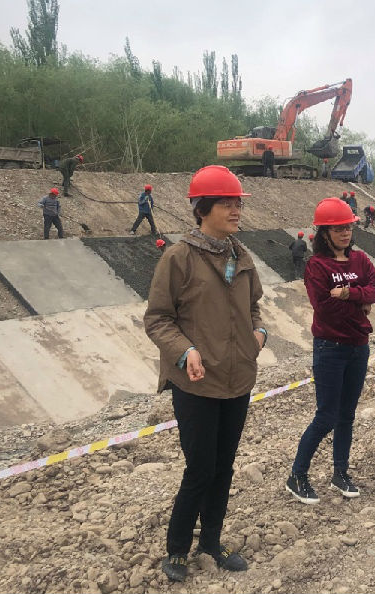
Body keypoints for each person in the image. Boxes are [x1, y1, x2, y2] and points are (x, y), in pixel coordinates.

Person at [144, 165, 267, 583]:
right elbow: (158, 319)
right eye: (226, 204)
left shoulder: (240, 255)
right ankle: (178, 548)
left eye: (237, 204)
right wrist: (185, 351)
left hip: (237, 378)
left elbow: (254, 307)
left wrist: (260, 333)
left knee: (224, 466)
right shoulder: (179, 258)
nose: (235, 211)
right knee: (200, 468)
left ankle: (211, 542)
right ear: (202, 209)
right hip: (196, 383)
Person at [286, 197, 375, 503]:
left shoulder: (361, 260)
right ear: (324, 233)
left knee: (346, 416)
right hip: (330, 348)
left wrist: (348, 293)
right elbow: (324, 308)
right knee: (326, 416)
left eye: (348, 227)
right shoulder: (317, 266)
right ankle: (297, 475)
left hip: (359, 347)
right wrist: (360, 304)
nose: (345, 233)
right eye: (338, 228)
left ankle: (340, 472)